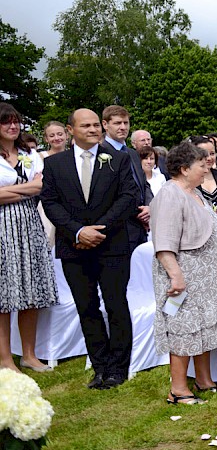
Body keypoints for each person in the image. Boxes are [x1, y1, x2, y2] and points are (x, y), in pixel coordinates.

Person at [40, 108, 140, 389]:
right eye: (86, 125)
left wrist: (99, 229)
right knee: (87, 308)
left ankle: (118, 368)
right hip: (74, 247)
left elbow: (128, 197)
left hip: (112, 245)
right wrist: (78, 231)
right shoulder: (55, 164)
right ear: (71, 130)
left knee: (116, 305)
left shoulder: (118, 159)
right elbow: (50, 202)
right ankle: (100, 365)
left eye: (97, 125)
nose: (94, 129)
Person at [150, 142, 217, 405]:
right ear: (185, 169)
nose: (207, 167)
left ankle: (204, 379)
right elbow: (163, 242)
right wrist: (176, 276)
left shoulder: (194, 192)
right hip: (183, 277)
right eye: (201, 164)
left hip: (205, 278)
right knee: (182, 329)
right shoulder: (169, 194)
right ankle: (178, 389)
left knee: (204, 326)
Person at [0, 103, 58, 373]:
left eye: (16, 121)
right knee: (5, 294)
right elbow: (32, 187)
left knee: (32, 290)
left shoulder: (30, 153)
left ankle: (29, 354)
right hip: (3, 227)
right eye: (5, 122)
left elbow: (42, 187)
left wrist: (12, 191)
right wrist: (27, 188)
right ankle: (5, 360)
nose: (12, 126)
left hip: (29, 223)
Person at [102, 106, 150, 252]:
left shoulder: (133, 154)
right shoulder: (101, 154)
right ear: (105, 125)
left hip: (140, 226)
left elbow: (143, 184)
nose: (123, 127)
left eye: (126, 123)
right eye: (117, 123)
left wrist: (149, 206)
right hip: (117, 228)